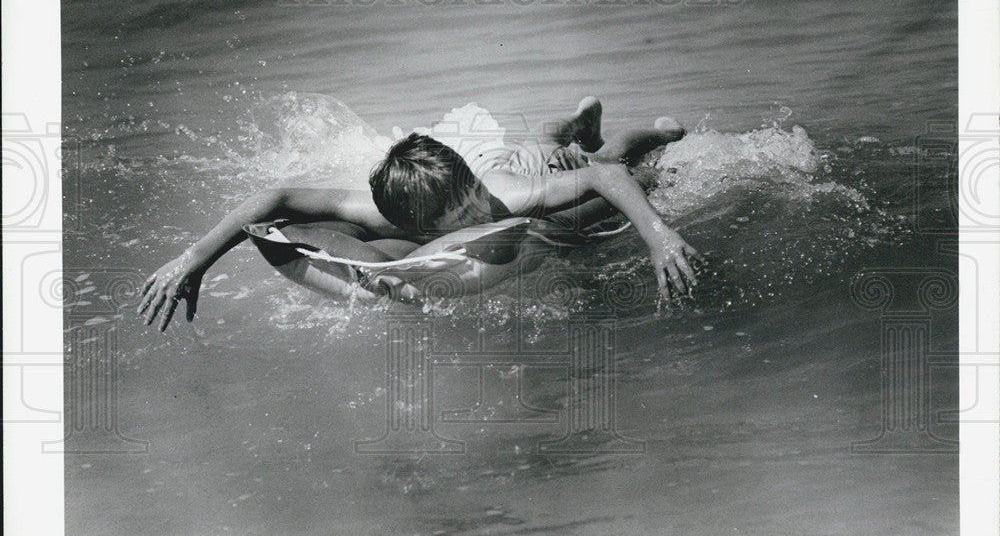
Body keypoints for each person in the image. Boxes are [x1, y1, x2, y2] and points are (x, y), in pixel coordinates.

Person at [139, 97, 701, 331]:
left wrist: (658, 236)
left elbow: (606, 179)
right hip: (478, 164)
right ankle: (571, 129)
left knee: (605, 171)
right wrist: (193, 262)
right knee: (560, 153)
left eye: (468, 200)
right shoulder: (383, 208)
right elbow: (277, 196)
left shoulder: (499, 194)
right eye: (460, 212)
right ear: (422, 225)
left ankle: (643, 132)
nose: (474, 211)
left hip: (514, 170)